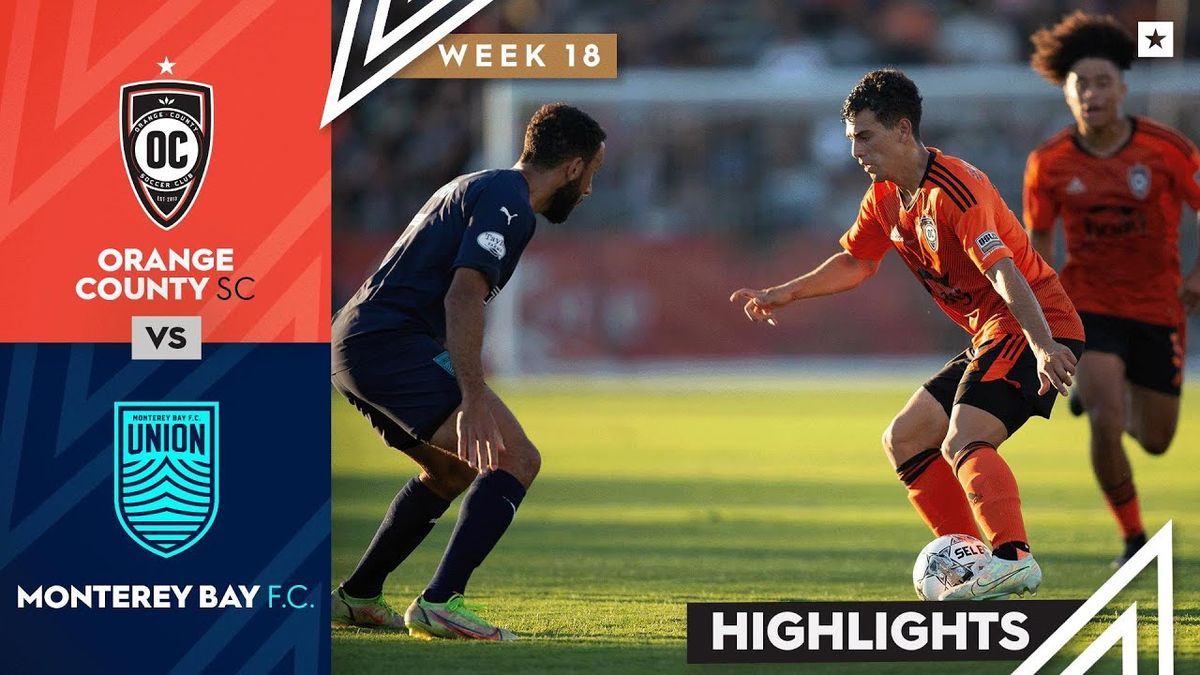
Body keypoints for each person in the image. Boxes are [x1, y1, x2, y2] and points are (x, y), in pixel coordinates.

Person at [731, 69, 1084, 600]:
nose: (856, 151)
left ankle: (1014, 559)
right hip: (993, 330)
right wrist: (787, 292)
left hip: (1034, 322)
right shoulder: (884, 196)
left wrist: (1041, 345)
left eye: (865, 137)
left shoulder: (957, 190)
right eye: (852, 139)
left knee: (965, 439)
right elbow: (857, 261)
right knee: (905, 438)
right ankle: (971, 563)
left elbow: (1002, 271)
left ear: (902, 130)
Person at [329, 103, 606, 639]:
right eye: (592, 172)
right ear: (573, 167)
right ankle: (441, 602)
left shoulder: (480, 184)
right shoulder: (510, 202)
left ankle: (358, 595)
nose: (590, 188)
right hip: (389, 344)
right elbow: (463, 297)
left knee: (451, 472)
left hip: (357, 343)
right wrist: (473, 400)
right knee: (515, 458)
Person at [1024, 11, 1200, 567]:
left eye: (1103, 82)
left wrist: (1198, 275)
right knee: (1104, 416)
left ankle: (1111, 393)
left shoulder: (1167, 149)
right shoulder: (1048, 163)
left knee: (1156, 441)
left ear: (1122, 88)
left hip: (1158, 308)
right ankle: (1133, 538)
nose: (1092, 93)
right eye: (1081, 84)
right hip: (1089, 306)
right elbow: (1039, 237)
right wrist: (1046, 302)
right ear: (1067, 92)